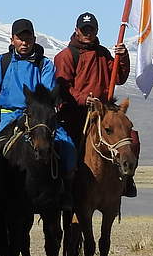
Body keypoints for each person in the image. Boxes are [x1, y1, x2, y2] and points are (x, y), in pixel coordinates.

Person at [0, 18, 76, 206]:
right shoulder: (2, 62)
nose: (24, 43)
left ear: (34, 39)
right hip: (8, 118)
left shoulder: (44, 64)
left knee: (68, 148)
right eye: (20, 38)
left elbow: (47, 91)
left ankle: (64, 193)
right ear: (12, 39)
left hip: (39, 118)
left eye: (28, 38)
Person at [54, 11, 138, 197]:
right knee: (67, 148)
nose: (87, 33)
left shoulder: (104, 54)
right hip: (75, 113)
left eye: (91, 29)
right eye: (84, 29)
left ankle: (127, 179)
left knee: (131, 137)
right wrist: (84, 99)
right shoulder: (66, 56)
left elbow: (119, 77)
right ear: (76, 30)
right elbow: (63, 86)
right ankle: (64, 189)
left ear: (97, 30)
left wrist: (122, 57)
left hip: (103, 112)